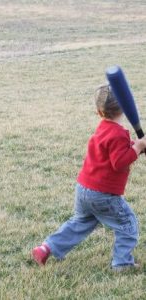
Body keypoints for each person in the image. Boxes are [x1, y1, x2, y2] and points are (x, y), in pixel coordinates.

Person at [32, 84, 146, 271]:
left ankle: (46, 248)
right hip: (103, 195)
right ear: (125, 108)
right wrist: (137, 147)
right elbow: (119, 162)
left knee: (80, 222)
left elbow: (114, 152)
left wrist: (135, 147)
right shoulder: (118, 134)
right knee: (127, 222)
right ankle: (122, 263)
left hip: (84, 189)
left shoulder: (103, 128)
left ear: (99, 112)